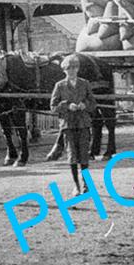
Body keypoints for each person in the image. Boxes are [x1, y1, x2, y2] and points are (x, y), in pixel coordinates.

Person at [49, 54, 97, 197]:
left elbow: (93, 103)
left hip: (83, 124)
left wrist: (85, 105)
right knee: (72, 156)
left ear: (78, 69)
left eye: (74, 68)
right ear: (64, 70)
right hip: (68, 125)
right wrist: (67, 106)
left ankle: (86, 184)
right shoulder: (60, 86)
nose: (72, 71)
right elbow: (53, 107)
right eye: (69, 69)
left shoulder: (85, 83)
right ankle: (76, 186)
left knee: (84, 155)